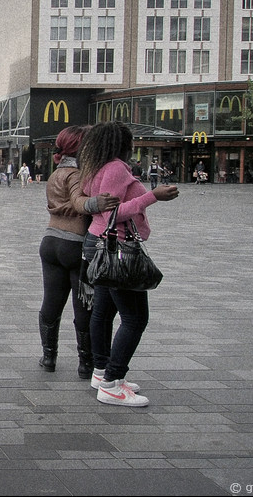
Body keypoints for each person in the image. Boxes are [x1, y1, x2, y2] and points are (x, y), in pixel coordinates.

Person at [78, 122, 178, 408]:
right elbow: (114, 213)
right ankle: (112, 382)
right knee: (135, 318)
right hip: (116, 247)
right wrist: (152, 196)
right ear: (122, 144)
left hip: (98, 242)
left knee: (104, 310)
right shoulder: (114, 169)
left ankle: (102, 372)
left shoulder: (94, 167)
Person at [38, 126, 119, 377]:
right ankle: (86, 363)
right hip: (74, 245)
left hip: (50, 242)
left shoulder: (56, 172)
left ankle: (48, 357)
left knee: (52, 302)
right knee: (83, 305)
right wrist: (97, 202)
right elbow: (77, 201)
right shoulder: (75, 173)